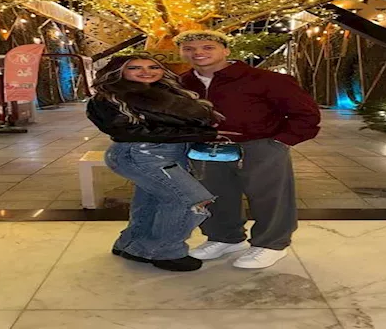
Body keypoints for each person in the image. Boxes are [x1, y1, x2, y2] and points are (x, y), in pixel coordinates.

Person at [176, 30, 321, 269]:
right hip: (206, 148)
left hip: (259, 146)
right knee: (213, 196)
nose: (198, 53)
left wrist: (281, 141)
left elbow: (305, 113)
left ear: (225, 50)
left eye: (208, 47)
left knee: (269, 196)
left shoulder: (264, 79)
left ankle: (271, 244)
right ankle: (225, 238)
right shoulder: (181, 83)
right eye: (189, 49)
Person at [86, 54, 233, 272]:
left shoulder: (169, 92)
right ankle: (165, 251)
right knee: (190, 200)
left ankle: (132, 245)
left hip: (169, 153)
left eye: (153, 67)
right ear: (119, 71)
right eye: (135, 68)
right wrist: (203, 133)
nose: (146, 72)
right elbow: (130, 131)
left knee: (151, 201)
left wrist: (205, 132)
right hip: (141, 153)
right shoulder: (109, 97)